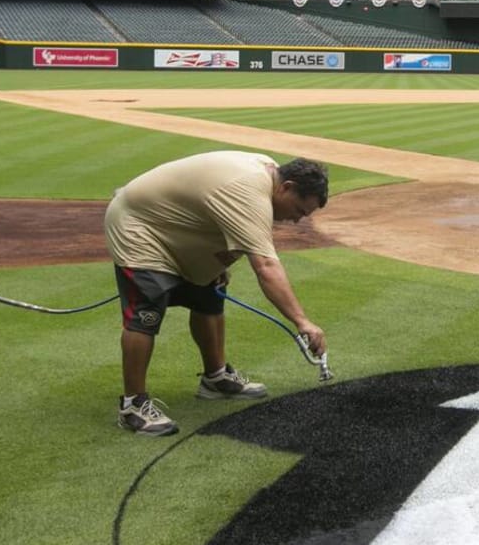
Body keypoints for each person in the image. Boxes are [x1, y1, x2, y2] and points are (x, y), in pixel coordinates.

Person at [103, 151, 330, 436]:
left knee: (210, 294)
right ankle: (132, 405)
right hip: (138, 225)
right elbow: (266, 266)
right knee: (147, 310)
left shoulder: (269, 175)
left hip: (177, 228)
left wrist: (210, 263)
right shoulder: (249, 191)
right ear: (286, 187)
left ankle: (215, 377)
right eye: (299, 210)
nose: (296, 220)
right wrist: (303, 321)